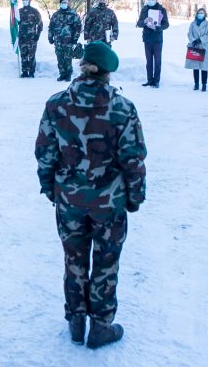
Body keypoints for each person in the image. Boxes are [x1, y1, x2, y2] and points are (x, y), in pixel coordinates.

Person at [35, 41, 147, 349]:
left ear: (83, 67)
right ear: (108, 73)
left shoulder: (56, 104)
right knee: (106, 262)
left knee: (74, 259)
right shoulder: (123, 107)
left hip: (69, 200)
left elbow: (44, 152)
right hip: (109, 203)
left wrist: (50, 188)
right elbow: (133, 159)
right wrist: (135, 196)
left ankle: (76, 321)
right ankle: (100, 327)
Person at [136, 0, 169, 87]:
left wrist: (157, 28)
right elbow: (139, 23)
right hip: (147, 39)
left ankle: (156, 81)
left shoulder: (162, 10)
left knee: (157, 61)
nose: (150, 0)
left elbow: (166, 24)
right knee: (149, 61)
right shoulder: (145, 9)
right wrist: (144, 21)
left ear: (156, 0)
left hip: (157, 39)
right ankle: (149, 80)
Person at [48, 0, 82, 82]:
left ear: (68, 3)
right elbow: (51, 26)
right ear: (60, 3)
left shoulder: (73, 14)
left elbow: (78, 27)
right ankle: (62, 74)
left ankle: (68, 75)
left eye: (66, 2)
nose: (64, 4)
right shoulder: (56, 15)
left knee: (68, 58)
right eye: (63, 2)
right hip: (58, 41)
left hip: (68, 41)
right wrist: (50, 37)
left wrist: (75, 39)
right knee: (60, 57)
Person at [185, 7, 208, 92]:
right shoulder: (192, 23)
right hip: (195, 46)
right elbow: (189, 33)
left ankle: (204, 84)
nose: (200, 14)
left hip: (204, 46)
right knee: (195, 66)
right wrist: (193, 40)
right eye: (199, 13)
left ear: (204, 14)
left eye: (202, 13)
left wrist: (201, 39)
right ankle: (196, 84)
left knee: (204, 67)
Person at [18, 0, 43, 78]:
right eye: (24, 0)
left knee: (31, 56)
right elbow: (14, 24)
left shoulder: (34, 11)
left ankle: (31, 72)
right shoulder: (19, 11)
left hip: (31, 38)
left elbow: (40, 24)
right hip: (22, 38)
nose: (25, 1)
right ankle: (24, 71)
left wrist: (37, 35)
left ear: (29, 1)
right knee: (23, 55)